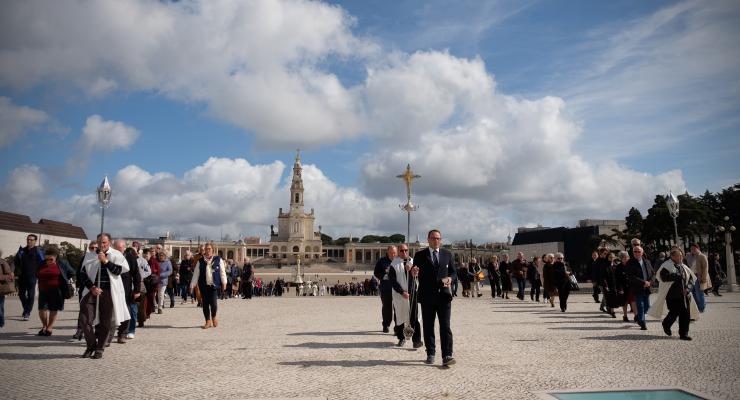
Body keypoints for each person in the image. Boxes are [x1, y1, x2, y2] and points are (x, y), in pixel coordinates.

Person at [78, 233, 130, 359]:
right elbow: (83, 274)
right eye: (100, 242)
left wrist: (106, 261)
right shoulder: (90, 255)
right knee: (84, 319)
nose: (102, 245)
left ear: (109, 243)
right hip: (92, 290)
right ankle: (91, 345)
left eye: (104, 242)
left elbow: (118, 271)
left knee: (105, 322)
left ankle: (99, 348)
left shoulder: (116, 255)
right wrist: (92, 287)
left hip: (108, 292)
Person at [412, 229, 457, 367]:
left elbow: (454, 273)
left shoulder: (447, 254)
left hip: (444, 296)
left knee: (445, 327)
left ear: (441, 240)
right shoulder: (420, 255)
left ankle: (447, 355)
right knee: (428, 326)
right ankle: (430, 352)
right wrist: (414, 271)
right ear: (428, 239)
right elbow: (415, 270)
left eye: (438, 238)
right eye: (433, 238)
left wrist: (450, 278)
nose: (436, 240)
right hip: (427, 296)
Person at [649, 248, 699, 340]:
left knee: (685, 314)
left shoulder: (684, 266)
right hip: (672, 295)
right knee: (674, 313)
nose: (681, 257)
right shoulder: (666, 265)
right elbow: (663, 277)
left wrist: (688, 288)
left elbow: (691, 279)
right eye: (678, 256)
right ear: (672, 256)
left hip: (685, 295)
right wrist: (677, 276)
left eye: (681, 255)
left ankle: (684, 334)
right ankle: (666, 324)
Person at [34, 247, 74, 336]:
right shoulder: (41, 263)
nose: (48, 261)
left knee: (53, 309)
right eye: (46, 258)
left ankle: (49, 327)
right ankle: (44, 326)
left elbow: (72, 272)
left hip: (57, 290)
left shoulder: (63, 263)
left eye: (51, 259)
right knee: (42, 309)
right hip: (43, 290)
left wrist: (64, 279)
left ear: (56, 257)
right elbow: (36, 273)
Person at [389, 244, 422, 348]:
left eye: (406, 250)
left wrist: (412, 269)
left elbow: (419, 276)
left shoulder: (413, 262)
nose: (404, 252)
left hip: (413, 293)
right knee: (400, 316)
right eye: (402, 250)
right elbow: (393, 281)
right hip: (400, 294)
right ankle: (401, 338)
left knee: (414, 316)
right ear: (398, 252)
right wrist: (402, 292)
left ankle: (416, 340)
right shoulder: (394, 264)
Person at [190, 242, 226, 329]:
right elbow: (196, 274)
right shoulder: (200, 261)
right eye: (206, 249)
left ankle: (214, 317)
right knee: (205, 304)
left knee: (213, 304)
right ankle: (207, 321)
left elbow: (222, 272)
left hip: (213, 285)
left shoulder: (218, 259)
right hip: (203, 285)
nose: (207, 250)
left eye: (209, 249)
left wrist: (224, 282)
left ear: (212, 250)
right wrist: (192, 285)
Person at [114, 239, 141, 343]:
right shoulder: (109, 256)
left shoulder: (130, 257)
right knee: (110, 312)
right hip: (112, 287)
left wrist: (137, 290)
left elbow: (136, 274)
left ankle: (123, 333)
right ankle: (107, 334)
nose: (119, 251)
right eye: (117, 249)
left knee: (126, 311)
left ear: (124, 248)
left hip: (126, 288)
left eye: (121, 249)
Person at [14, 234, 45, 320]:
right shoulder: (22, 250)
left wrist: (39, 274)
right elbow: (16, 262)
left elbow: (43, 263)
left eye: (31, 240)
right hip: (22, 277)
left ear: (35, 241)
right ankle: (26, 309)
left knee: (31, 295)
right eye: (28, 239)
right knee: (21, 295)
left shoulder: (38, 251)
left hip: (32, 276)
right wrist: (16, 273)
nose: (29, 241)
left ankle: (27, 312)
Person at [626, 245, 653, 330]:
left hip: (647, 287)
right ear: (633, 253)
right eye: (635, 251)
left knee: (647, 307)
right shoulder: (630, 262)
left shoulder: (647, 262)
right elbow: (630, 276)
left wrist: (650, 282)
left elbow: (653, 274)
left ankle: (638, 317)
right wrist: (643, 282)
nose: (637, 253)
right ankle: (642, 323)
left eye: (638, 251)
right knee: (640, 305)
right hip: (637, 288)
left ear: (642, 252)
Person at [373, 246, 397, 333]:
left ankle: (397, 327)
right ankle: (386, 325)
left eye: (394, 253)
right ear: (387, 252)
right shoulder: (381, 261)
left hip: (397, 289)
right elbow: (376, 273)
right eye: (391, 253)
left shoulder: (399, 261)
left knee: (397, 308)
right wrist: (384, 276)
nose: (393, 254)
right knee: (387, 308)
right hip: (385, 288)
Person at [686, 244, 710, 312]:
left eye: (694, 249)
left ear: (698, 248)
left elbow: (705, 268)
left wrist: (704, 278)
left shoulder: (702, 256)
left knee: (699, 292)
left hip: (699, 276)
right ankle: (697, 306)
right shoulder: (690, 256)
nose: (692, 250)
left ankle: (701, 308)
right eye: (691, 249)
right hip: (691, 276)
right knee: (693, 292)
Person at [0, 250, 15, 328]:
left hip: (0, 289)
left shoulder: (3, 263)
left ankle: (1, 321)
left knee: (0, 308)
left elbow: (9, 276)